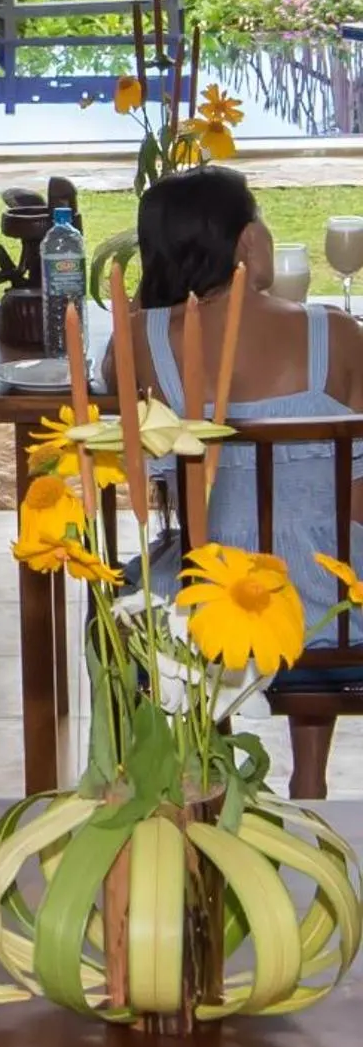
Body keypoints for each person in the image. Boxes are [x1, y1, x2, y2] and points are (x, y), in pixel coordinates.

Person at [107, 162, 363, 797]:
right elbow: (357, 494)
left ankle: (210, 765)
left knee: (143, 601)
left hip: (198, 595)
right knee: (326, 557)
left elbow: (130, 441)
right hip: (328, 611)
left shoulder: (139, 342)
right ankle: (310, 780)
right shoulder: (337, 334)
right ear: (248, 239)